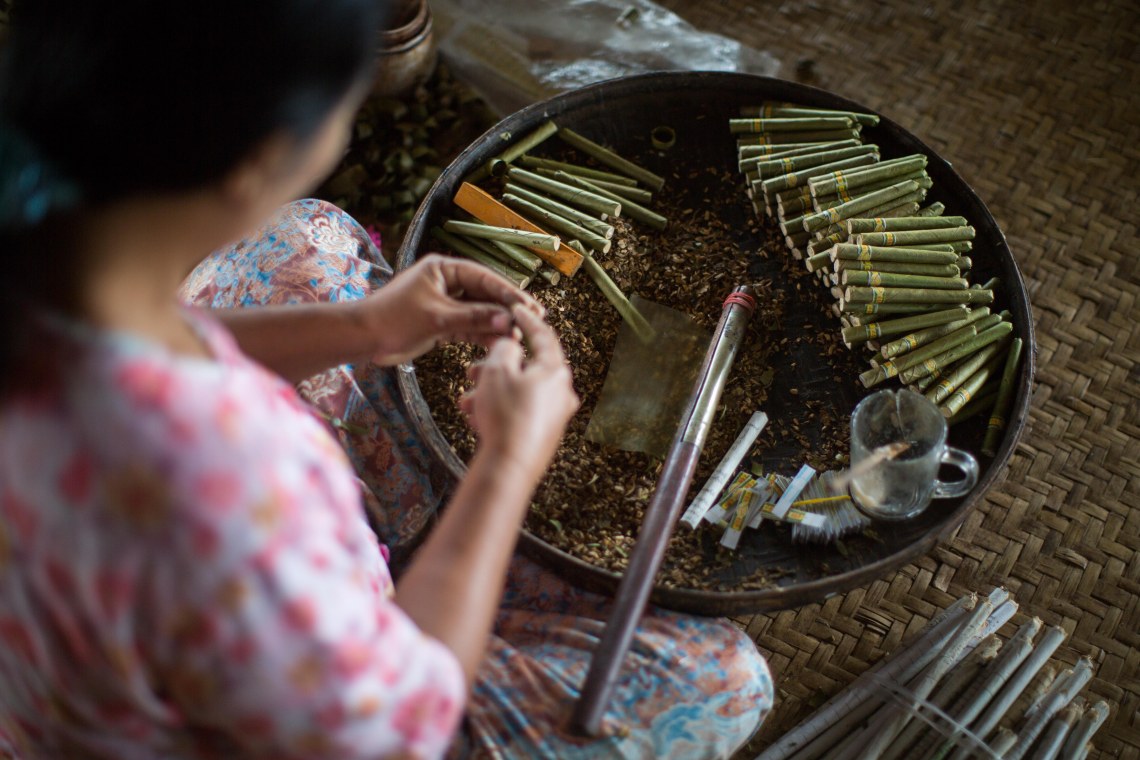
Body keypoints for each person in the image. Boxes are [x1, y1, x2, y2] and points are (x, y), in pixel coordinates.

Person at [0, 0, 773, 757]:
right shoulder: (227, 481)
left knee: (305, 237)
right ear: (261, 157)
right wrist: (508, 462)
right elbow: (400, 728)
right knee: (724, 677)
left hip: (153, 629)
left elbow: (138, 349)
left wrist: (363, 328)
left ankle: (409, 537)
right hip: (311, 704)